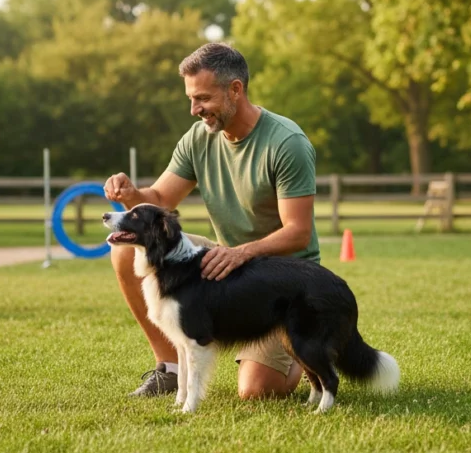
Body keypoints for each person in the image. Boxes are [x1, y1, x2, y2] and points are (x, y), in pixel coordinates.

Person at [104, 43, 320, 400]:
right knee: (127, 250)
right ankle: (171, 367)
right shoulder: (199, 138)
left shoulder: (286, 142)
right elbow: (159, 200)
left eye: (202, 98)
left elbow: (298, 233)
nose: (194, 109)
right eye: (191, 98)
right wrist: (130, 194)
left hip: (281, 278)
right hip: (223, 260)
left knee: (256, 391)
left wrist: (242, 254)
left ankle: (303, 343)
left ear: (235, 89)